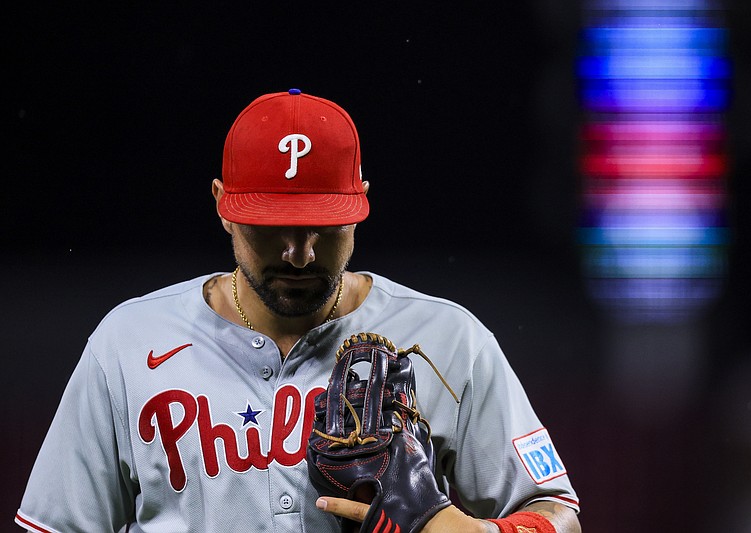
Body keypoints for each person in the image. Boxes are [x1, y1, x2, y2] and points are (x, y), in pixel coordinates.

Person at [15, 89, 581, 533]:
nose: (299, 253)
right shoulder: (128, 343)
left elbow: (556, 511)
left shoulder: (448, 340)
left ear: (359, 205)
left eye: (323, 227)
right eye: (272, 229)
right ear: (222, 207)